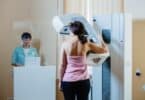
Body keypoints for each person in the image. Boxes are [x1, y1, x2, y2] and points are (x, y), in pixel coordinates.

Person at [58, 21, 109, 100]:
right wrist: (101, 39)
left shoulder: (65, 44)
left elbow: (62, 65)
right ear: (82, 30)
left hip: (68, 81)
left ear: (71, 31)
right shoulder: (86, 43)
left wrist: (60, 81)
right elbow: (105, 51)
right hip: (83, 81)